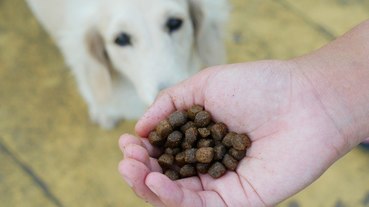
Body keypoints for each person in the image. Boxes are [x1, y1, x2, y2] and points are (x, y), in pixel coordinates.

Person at [118, 19, 369, 207]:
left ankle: (358, 111)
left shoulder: (208, 140)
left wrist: (328, 99)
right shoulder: (194, 143)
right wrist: (334, 97)